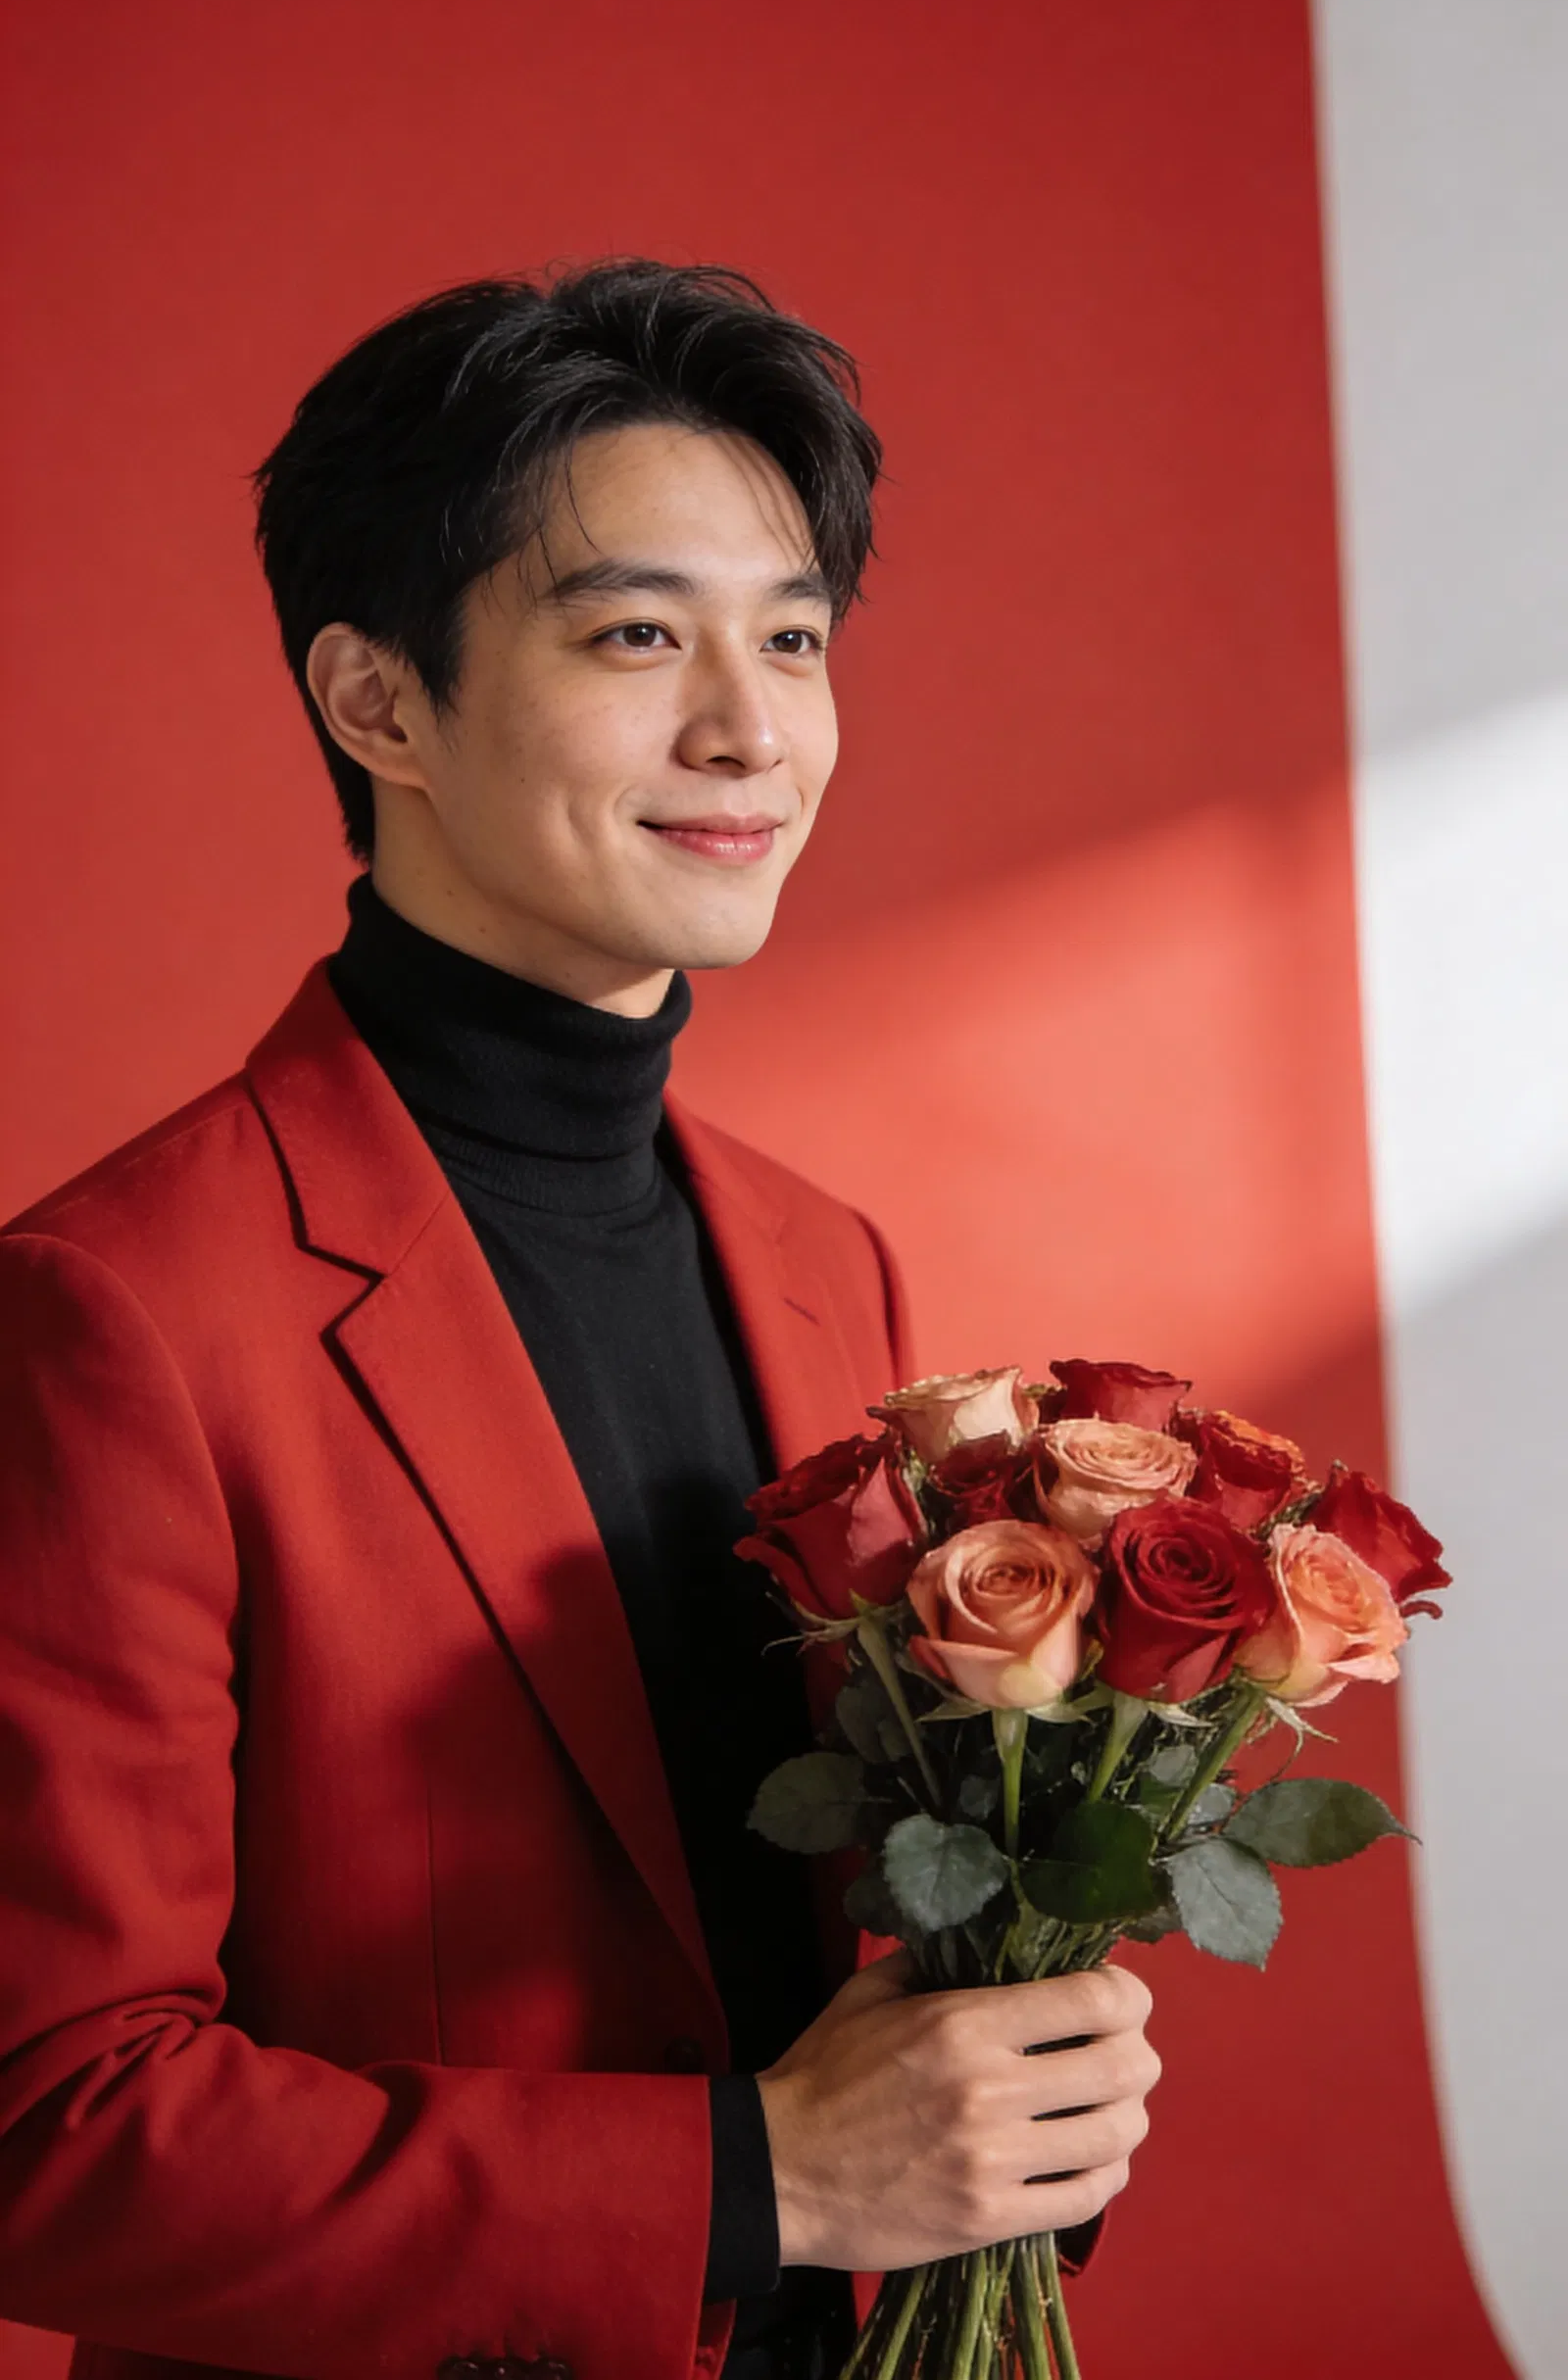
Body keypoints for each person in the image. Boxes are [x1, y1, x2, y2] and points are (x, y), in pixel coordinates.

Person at [0, 264, 1158, 2380]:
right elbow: (46, 2121)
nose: (751, 727)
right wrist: (759, 2183)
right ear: (378, 706)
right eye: (639, 634)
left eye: (791, 638)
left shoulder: (825, 1259)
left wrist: (1014, 2062)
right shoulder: (118, 1314)